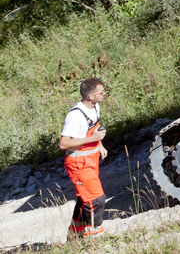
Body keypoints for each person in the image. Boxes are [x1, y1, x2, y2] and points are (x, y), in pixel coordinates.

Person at [60, 77, 108, 239]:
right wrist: (92, 140)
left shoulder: (95, 107)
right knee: (96, 198)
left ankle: (75, 234)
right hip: (78, 163)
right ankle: (95, 236)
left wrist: (99, 145)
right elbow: (64, 143)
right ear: (90, 96)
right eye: (101, 92)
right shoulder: (76, 115)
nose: (104, 94)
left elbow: (95, 129)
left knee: (84, 197)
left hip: (91, 159)